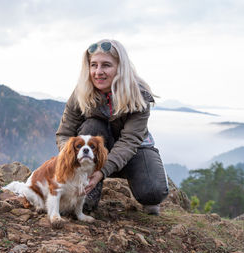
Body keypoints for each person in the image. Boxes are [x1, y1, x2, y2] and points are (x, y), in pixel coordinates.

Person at [56, 39, 168, 215]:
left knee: (153, 192)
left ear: (120, 67)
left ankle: (144, 182)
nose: (98, 72)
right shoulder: (81, 92)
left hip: (133, 150)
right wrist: (70, 158)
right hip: (93, 152)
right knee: (92, 127)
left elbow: (130, 141)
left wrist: (103, 171)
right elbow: (65, 133)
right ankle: (86, 198)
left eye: (106, 65)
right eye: (93, 65)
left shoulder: (139, 95)